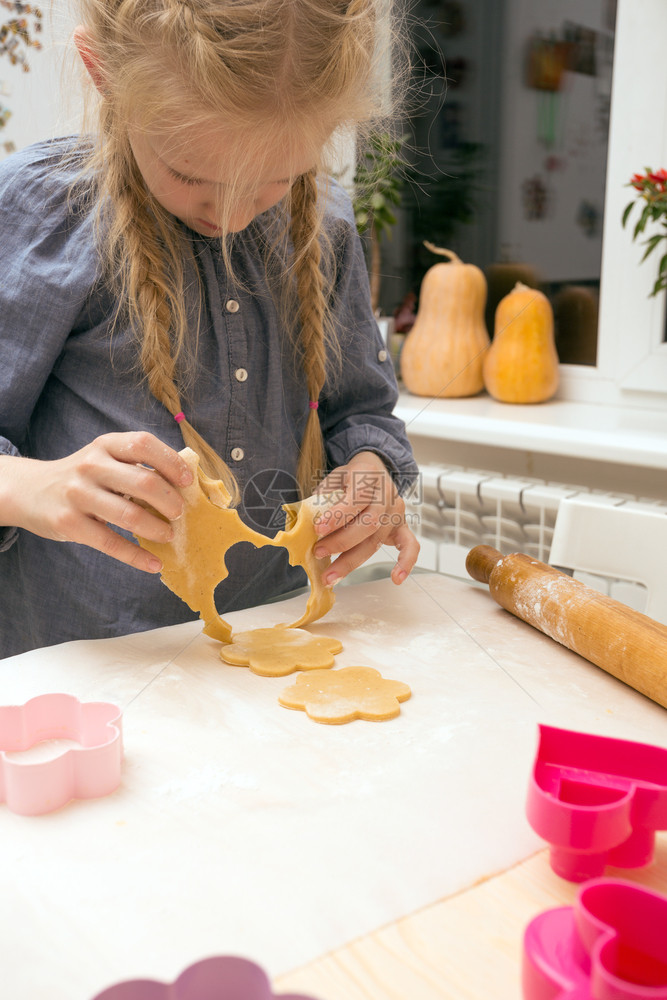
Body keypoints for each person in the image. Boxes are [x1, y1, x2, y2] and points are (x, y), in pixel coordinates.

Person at [0, 0, 420, 659]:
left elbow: (360, 414)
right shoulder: (39, 214)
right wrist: (26, 486)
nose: (228, 214)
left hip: (268, 662)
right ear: (102, 70)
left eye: (274, 180)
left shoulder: (326, 227)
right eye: (192, 175)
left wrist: (368, 472)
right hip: (87, 679)